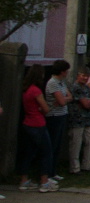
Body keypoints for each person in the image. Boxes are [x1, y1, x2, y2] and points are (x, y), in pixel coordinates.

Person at [19, 64, 59, 192]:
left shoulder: (26, 89)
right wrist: (48, 106)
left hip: (27, 123)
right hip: (38, 123)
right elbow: (45, 109)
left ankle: (24, 180)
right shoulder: (36, 91)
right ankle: (44, 181)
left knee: (28, 153)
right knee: (46, 152)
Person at [44, 59, 72, 182]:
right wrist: (64, 99)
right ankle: (48, 173)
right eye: (66, 71)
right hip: (54, 116)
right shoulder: (53, 83)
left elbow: (69, 96)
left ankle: (53, 171)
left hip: (62, 114)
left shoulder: (61, 83)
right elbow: (61, 101)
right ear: (62, 71)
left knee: (58, 145)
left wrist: (65, 99)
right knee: (53, 144)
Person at [68, 67, 90, 174]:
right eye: (83, 75)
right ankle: (74, 168)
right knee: (76, 144)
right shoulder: (75, 87)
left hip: (87, 119)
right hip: (77, 119)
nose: (85, 78)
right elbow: (85, 104)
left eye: (87, 76)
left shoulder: (86, 87)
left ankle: (87, 165)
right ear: (78, 75)